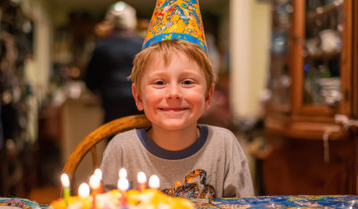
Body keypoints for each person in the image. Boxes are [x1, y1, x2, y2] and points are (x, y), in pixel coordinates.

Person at [101, 0, 254, 198]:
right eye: (159, 83)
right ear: (138, 97)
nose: (173, 93)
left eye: (187, 82)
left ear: (208, 96)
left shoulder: (225, 146)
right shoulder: (121, 149)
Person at [83, 1, 143, 123]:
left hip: (112, 101)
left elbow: (90, 80)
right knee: (140, 137)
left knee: (113, 135)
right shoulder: (142, 45)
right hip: (138, 100)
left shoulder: (102, 47)